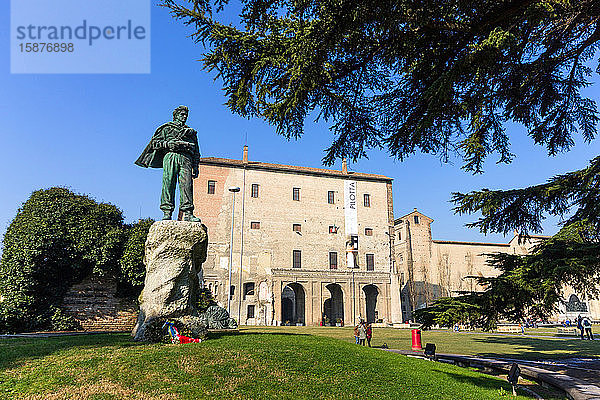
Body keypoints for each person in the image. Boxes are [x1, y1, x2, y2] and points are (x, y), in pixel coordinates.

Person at [135, 105, 201, 222]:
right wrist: (167, 144)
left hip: (186, 158)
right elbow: (155, 143)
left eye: (186, 115)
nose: (184, 117)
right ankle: (167, 212)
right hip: (171, 156)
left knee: (187, 185)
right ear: (176, 116)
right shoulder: (166, 128)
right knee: (168, 183)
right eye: (182, 114)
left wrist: (195, 166)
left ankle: (188, 213)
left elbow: (196, 151)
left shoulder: (191, 133)